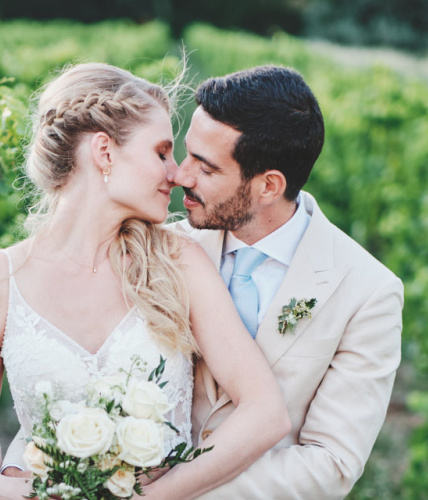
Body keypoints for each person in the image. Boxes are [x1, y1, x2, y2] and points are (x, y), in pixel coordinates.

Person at [0, 62, 290, 500]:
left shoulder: (177, 262)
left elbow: (266, 413)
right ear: (105, 152)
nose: (176, 173)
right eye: (161, 152)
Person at [170, 65, 403, 499]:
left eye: (205, 167)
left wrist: (172, 489)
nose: (182, 176)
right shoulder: (165, 249)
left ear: (268, 186)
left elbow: (330, 463)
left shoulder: (368, 292)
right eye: (187, 155)